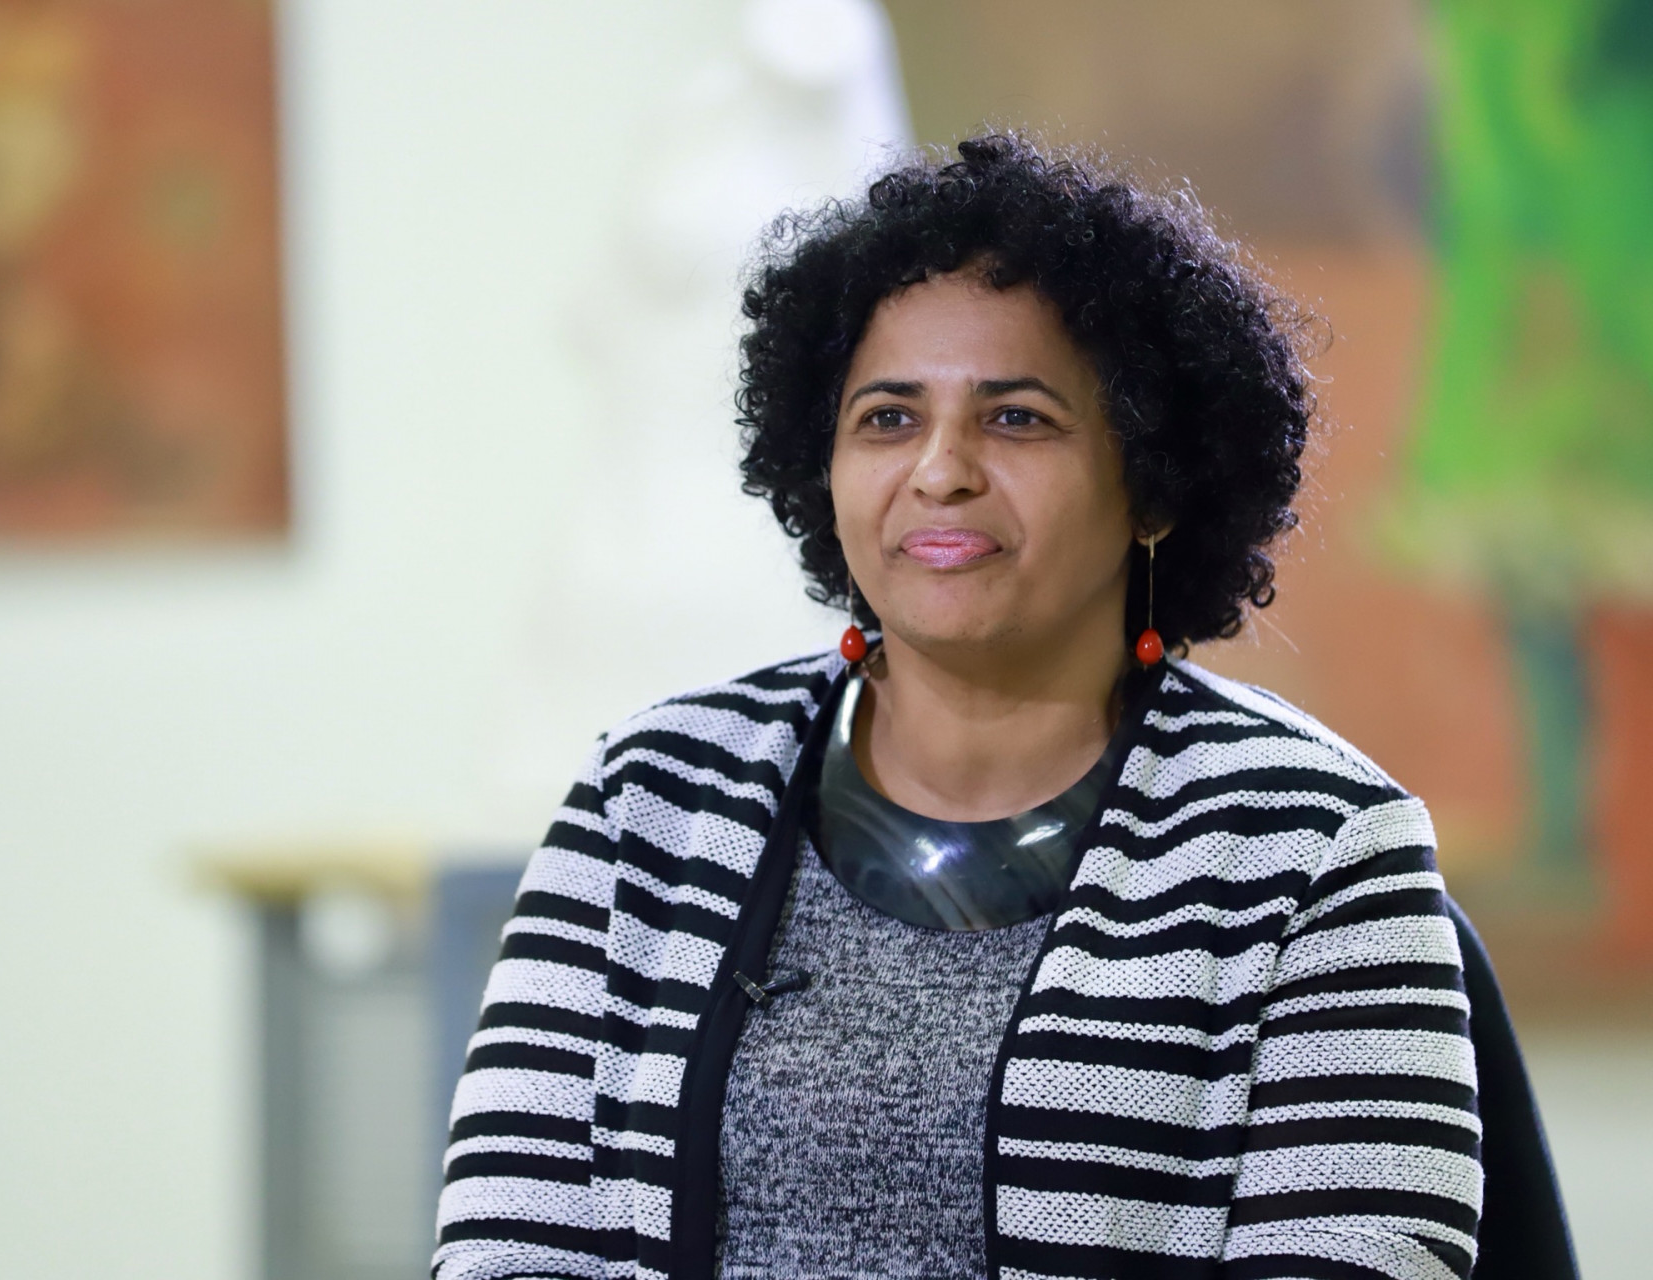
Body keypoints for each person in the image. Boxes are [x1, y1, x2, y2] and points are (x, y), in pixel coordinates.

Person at [433, 134, 1490, 1280]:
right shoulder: (650, 799)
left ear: (1153, 481)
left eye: (1016, 417)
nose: (940, 470)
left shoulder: (1316, 844)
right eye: (888, 418)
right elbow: (507, 1250)